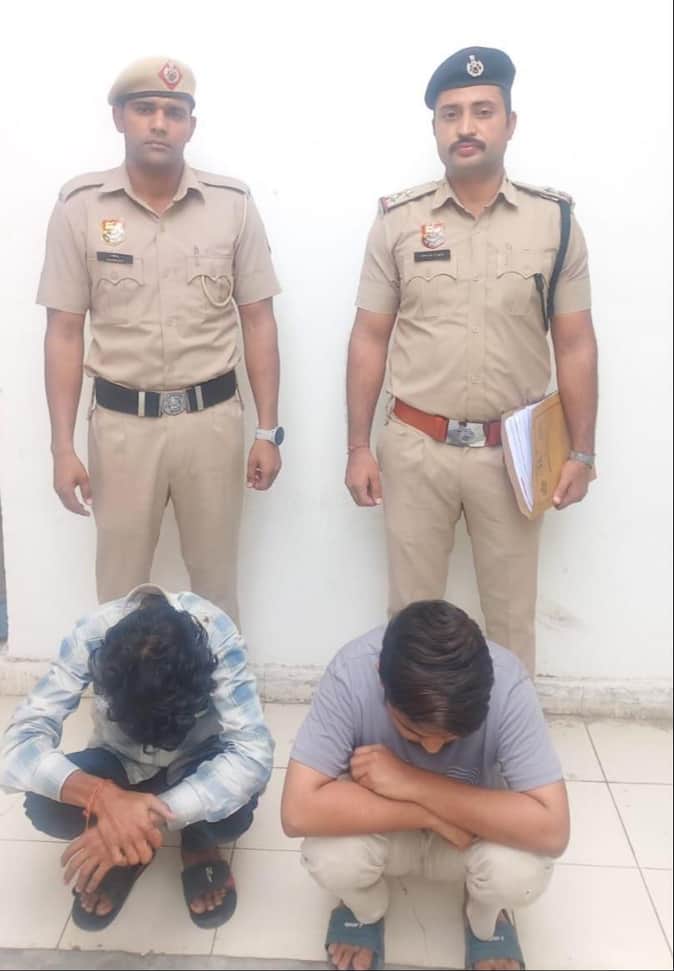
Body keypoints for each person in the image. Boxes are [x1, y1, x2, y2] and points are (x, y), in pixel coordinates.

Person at [344, 46, 598, 674]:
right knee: (411, 618)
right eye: (450, 113)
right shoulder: (398, 221)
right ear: (435, 127)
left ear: (510, 123)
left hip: (512, 455)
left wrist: (583, 452)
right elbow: (369, 337)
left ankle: (508, 731)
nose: (466, 126)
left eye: (483, 111)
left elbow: (574, 343)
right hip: (415, 448)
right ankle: (410, 726)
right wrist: (358, 447)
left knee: (510, 618)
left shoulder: (555, 222)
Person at [38, 57, 285, 623]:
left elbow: (259, 321)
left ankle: (221, 684)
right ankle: (119, 687)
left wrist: (268, 431)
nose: (158, 123)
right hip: (122, 429)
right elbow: (64, 332)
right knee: (119, 595)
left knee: (216, 591)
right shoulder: (81, 208)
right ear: (119, 118)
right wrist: (62, 448)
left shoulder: (232, 205)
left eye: (174, 112)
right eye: (145, 109)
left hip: (212, 424)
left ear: (190, 126)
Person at [282, 600, 569, 970]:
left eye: (450, 738)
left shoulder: (508, 684)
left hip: (468, 835)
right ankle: (366, 910)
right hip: (407, 826)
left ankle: (485, 917)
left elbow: (553, 830)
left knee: (522, 873)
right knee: (329, 856)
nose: (432, 749)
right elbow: (296, 811)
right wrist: (429, 815)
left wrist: (412, 781)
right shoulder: (352, 673)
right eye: (413, 732)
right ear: (381, 679)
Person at [0, 586, 273, 930]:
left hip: (196, 761)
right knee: (47, 806)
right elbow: (17, 746)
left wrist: (144, 817)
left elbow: (253, 754)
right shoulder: (91, 635)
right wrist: (103, 797)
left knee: (232, 814)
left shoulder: (214, 634)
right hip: (121, 760)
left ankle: (191, 842)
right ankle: (129, 844)